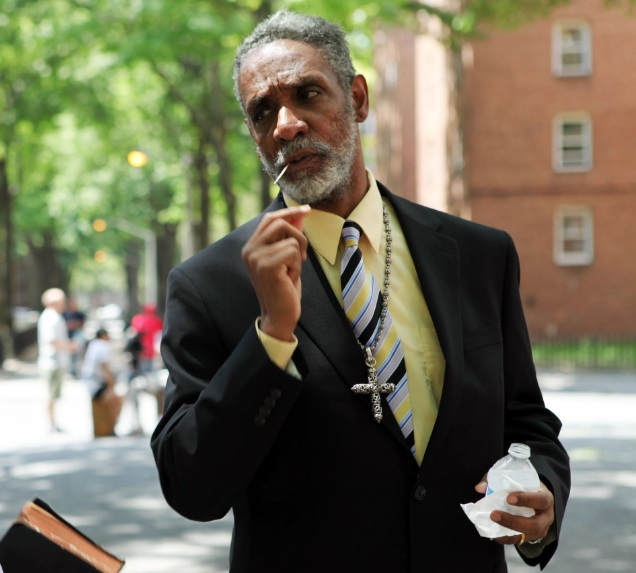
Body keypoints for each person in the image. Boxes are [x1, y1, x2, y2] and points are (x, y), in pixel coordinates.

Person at [151, 11, 570, 573]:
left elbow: (525, 420)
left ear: (357, 99)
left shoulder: (478, 255)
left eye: (307, 94)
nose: (286, 125)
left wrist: (543, 492)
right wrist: (271, 338)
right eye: (263, 112)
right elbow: (192, 488)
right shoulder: (210, 285)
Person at [37, 288, 72, 432]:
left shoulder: (55, 316)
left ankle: (53, 423)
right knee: (50, 394)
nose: (63, 304)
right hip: (51, 362)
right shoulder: (50, 317)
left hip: (56, 361)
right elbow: (51, 340)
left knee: (54, 394)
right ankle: (51, 424)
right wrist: (69, 346)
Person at [81, 328, 123, 437]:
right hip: (96, 384)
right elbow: (104, 368)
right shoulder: (102, 346)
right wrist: (111, 385)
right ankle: (110, 429)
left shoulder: (94, 345)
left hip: (93, 382)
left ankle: (108, 429)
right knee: (118, 401)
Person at [130, 303, 163, 374]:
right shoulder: (157, 320)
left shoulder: (137, 319)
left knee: (141, 369)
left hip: (140, 349)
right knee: (148, 370)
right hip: (147, 349)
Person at [62, 297, 87, 379]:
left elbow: (81, 325)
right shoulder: (64, 314)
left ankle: (75, 371)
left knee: (76, 355)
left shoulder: (80, 314)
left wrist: (72, 325)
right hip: (67, 337)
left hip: (76, 337)